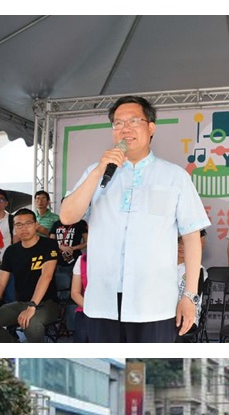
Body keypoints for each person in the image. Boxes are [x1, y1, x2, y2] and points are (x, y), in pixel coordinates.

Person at [60, 95, 209, 342]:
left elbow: (192, 238)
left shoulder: (174, 176)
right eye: (118, 123)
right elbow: (67, 216)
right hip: (102, 301)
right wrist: (99, 170)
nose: (125, 129)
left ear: (151, 128)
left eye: (133, 121)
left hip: (154, 303)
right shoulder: (95, 173)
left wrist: (190, 296)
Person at [0, 208, 61, 343]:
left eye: (28, 223)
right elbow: (0, 282)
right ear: (14, 229)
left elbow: (46, 276)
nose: (24, 228)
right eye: (19, 225)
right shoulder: (11, 251)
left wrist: (32, 306)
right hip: (20, 304)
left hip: (47, 304)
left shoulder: (49, 245)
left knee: (30, 323)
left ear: (36, 225)